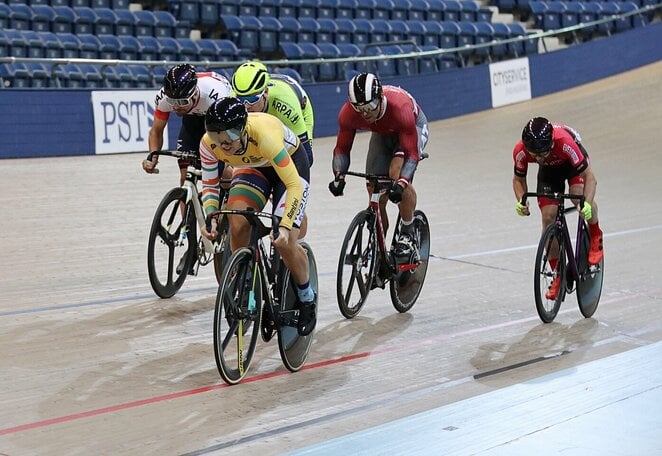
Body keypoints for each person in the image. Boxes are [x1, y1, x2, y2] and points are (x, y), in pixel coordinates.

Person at [198, 98, 316, 336]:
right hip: (252, 168)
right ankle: (245, 276)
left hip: (289, 166)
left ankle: (306, 298)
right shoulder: (208, 144)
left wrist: (284, 227)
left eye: (230, 135)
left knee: (286, 241)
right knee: (237, 220)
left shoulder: (264, 136)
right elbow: (210, 185)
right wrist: (210, 216)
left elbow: (293, 184)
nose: (224, 143)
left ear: (242, 129)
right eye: (216, 136)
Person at [328, 72, 429, 266]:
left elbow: (411, 155)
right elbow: (342, 149)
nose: (366, 113)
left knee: (395, 173)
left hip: (412, 128)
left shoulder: (400, 108)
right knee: (374, 189)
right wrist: (338, 176)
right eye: (360, 109)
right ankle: (378, 241)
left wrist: (401, 184)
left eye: (371, 106)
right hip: (383, 132)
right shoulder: (348, 113)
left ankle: (407, 232)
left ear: (380, 97)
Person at [513, 117, 604, 300]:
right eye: (534, 154)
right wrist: (521, 200)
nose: (538, 158)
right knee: (548, 218)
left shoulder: (565, 143)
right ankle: (557, 274)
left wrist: (586, 203)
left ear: (551, 142)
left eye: (542, 153)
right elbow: (518, 179)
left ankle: (595, 235)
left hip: (571, 165)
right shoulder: (522, 151)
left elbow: (590, 177)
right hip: (549, 172)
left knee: (578, 197)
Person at [142, 63, 234, 185]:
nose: (175, 106)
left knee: (220, 174)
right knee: (185, 176)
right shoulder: (164, 97)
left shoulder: (215, 96)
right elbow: (156, 131)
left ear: (195, 94)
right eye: (172, 101)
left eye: (182, 101)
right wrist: (153, 157)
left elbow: (229, 134)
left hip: (219, 120)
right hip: (191, 119)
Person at [231, 61, 315, 167]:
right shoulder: (233, 100)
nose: (246, 105)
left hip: (297, 107)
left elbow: (306, 158)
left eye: (252, 98)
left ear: (265, 92)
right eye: (241, 99)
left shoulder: (285, 103)